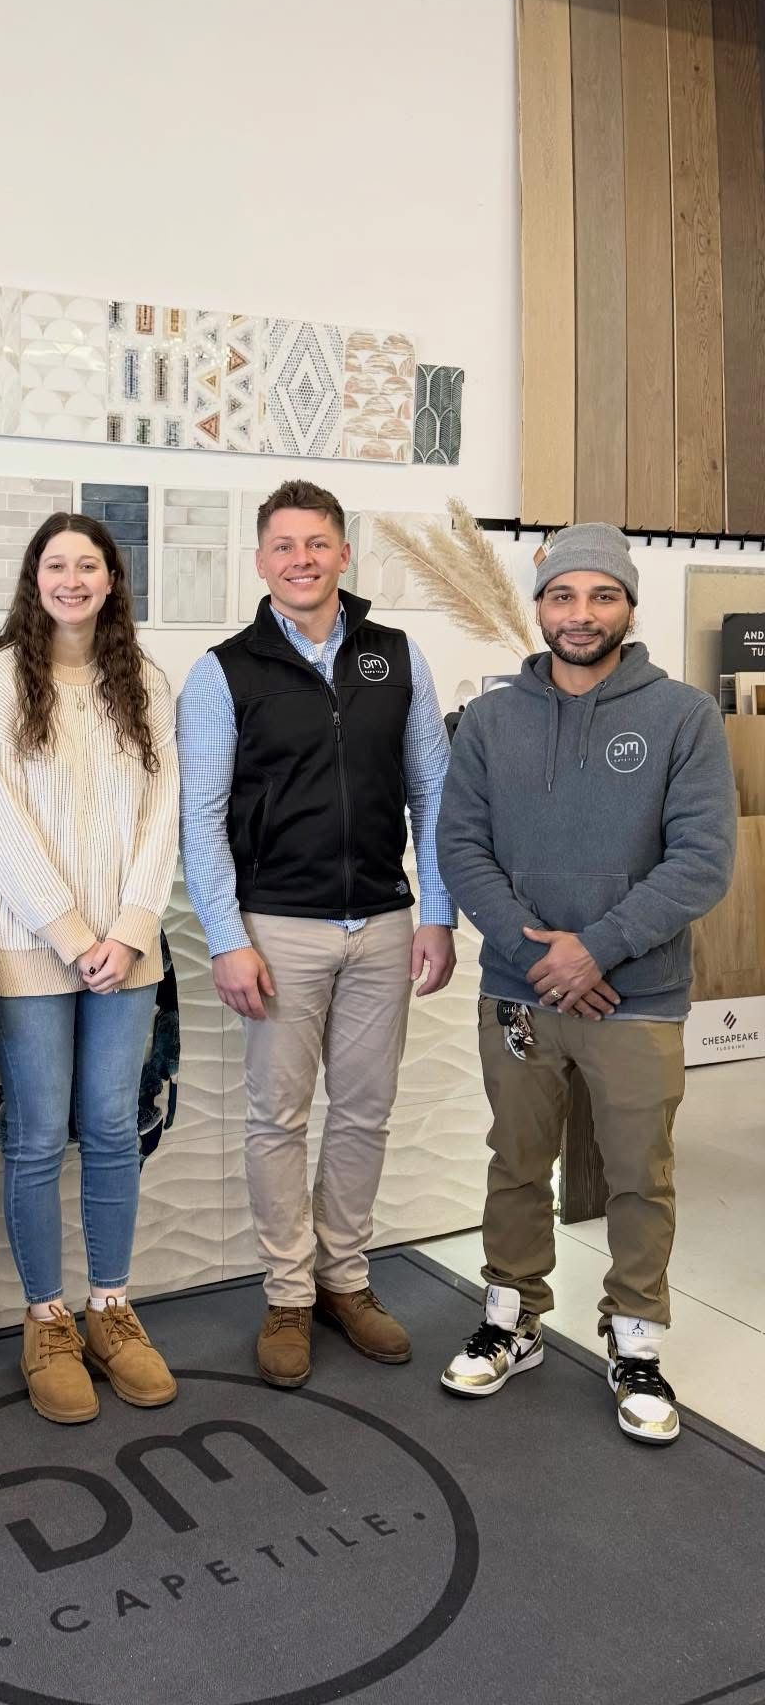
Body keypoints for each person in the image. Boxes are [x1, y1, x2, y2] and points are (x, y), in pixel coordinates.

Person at [436, 523, 735, 1444]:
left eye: (602, 595)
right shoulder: (489, 720)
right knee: (516, 1161)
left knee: (641, 1174)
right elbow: (461, 849)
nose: (580, 614)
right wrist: (546, 961)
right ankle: (512, 1319)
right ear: (539, 609)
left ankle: (635, 1340)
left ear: (629, 608)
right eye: (563, 596)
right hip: (523, 995)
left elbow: (702, 862)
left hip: (635, 999)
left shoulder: (684, 716)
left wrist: (594, 952)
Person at [178, 479, 456, 1389]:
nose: (302, 559)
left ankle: (346, 1279)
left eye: (318, 543)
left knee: (365, 1112)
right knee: (278, 1119)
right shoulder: (224, 672)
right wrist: (227, 937)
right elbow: (202, 817)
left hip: (382, 921)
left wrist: (439, 914)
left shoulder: (397, 657)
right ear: (260, 562)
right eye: (284, 545)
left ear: (344, 554)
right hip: (276, 929)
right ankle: (289, 1294)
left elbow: (436, 796)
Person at [0, 513, 180, 1424]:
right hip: (31, 947)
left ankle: (109, 1307)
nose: (72, 579)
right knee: (38, 1131)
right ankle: (47, 1318)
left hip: (125, 952)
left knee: (110, 1124)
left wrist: (126, 932)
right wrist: (68, 931)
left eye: (87, 564)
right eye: (55, 564)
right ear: (33, 577)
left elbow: (164, 808)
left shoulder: (147, 682)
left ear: (111, 579)